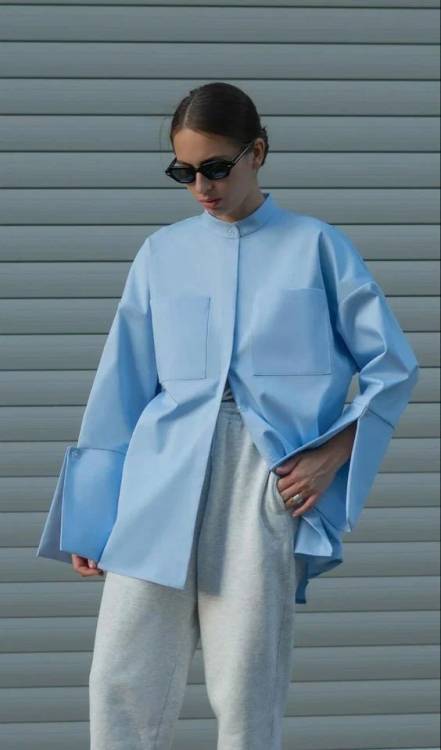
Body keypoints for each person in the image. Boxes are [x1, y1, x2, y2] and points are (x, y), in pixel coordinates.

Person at [35, 82, 419, 749]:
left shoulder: (317, 247)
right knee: (120, 681)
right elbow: (122, 384)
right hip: (160, 473)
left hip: (258, 477)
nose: (201, 187)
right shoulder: (161, 253)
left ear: (256, 153)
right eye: (183, 173)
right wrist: (92, 514)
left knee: (245, 687)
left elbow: (393, 367)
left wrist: (330, 455)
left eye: (215, 167)